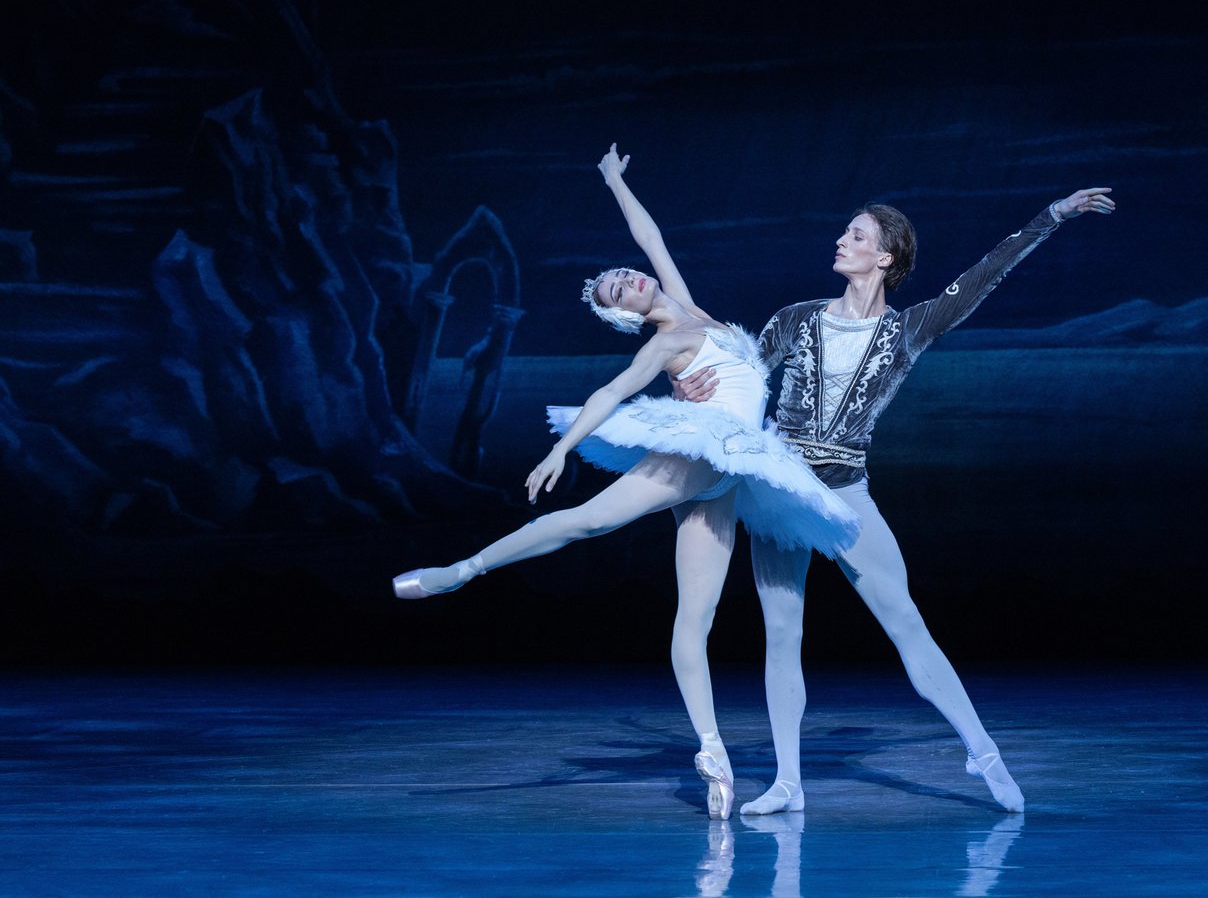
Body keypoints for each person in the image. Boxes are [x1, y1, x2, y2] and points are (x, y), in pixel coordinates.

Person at [391, 145, 859, 821]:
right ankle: (461, 571)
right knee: (590, 519)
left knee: (694, 619)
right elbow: (611, 392)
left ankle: (713, 754)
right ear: (629, 315)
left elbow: (651, 238)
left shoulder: (691, 309)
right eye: (617, 291)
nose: (626, 279)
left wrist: (613, 180)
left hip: (729, 472)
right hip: (703, 450)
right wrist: (563, 448)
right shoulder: (664, 341)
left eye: (620, 276)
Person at [678, 187, 1115, 815]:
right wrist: (692, 386)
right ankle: (788, 783)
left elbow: (982, 277)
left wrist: (1052, 217)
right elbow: (741, 377)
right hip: (778, 489)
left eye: (856, 236)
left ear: (885, 257)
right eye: (844, 233)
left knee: (906, 624)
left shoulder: (908, 328)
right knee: (782, 633)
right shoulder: (796, 318)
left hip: (845, 492)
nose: (841, 241)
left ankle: (984, 753)